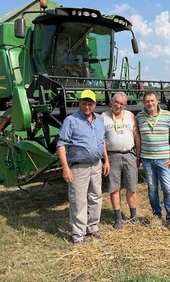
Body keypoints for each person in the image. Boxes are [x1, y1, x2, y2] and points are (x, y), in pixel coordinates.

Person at [57, 89, 110, 245]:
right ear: (79, 103)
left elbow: (103, 141)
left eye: (90, 104)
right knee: (78, 200)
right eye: (84, 103)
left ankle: (92, 227)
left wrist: (106, 160)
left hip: (96, 165)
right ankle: (78, 235)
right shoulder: (71, 121)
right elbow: (61, 144)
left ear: (95, 105)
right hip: (78, 167)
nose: (87, 106)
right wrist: (65, 167)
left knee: (96, 197)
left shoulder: (100, 120)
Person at [136, 91, 170, 235]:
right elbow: (137, 138)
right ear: (144, 103)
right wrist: (138, 157)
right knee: (152, 189)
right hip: (147, 159)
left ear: (157, 101)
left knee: (168, 189)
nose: (150, 103)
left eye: (152, 101)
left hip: (164, 160)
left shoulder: (167, 115)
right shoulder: (139, 117)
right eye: (147, 101)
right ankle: (156, 215)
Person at [101, 92, 141, 229]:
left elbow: (137, 137)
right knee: (114, 188)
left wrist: (138, 156)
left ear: (125, 105)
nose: (118, 105)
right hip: (112, 157)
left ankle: (134, 216)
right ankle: (118, 218)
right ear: (111, 101)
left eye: (122, 104)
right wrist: (105, 160)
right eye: (116, 102)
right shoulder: (103, 117)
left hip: (130, 155)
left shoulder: (130, 116)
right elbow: (101, 142)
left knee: (131, 187)